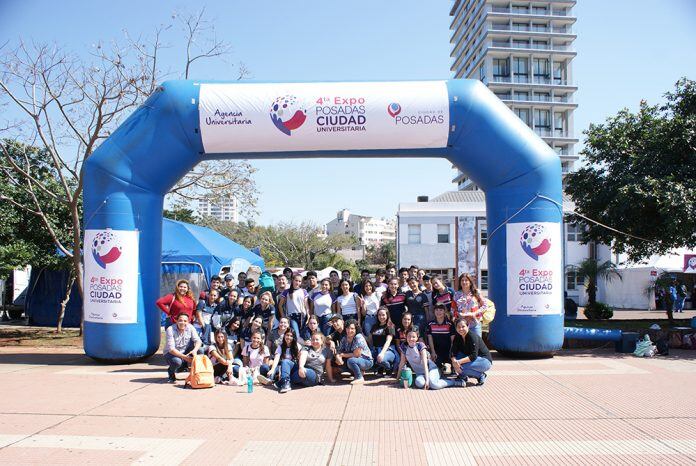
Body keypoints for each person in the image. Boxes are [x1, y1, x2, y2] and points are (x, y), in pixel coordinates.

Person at [397, 329, 463, 390]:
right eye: (409, 336)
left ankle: (454, 382)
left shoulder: (420, 345)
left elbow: (425, 365)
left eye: (413, 337)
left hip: (431, 369)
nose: (411, 339)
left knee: (433, 385)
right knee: (419, 384)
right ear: (406, 337)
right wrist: (397, 380)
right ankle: (437, 379)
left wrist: (428, 381)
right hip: (420, 373)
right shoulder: (404, 347)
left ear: (417, 338)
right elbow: (402, 363)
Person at [450, 317, 493, 385]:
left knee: (462, 367)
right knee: (457, 361)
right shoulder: (457, 336)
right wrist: (454, 361)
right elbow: (453, 351)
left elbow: (473, 356)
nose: (461, 329)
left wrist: (458, 363)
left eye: (463, 326)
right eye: (458, 327)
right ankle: (463, 376)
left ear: (468, 326)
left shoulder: (472, 337)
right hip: (471, 359)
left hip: (484, 361)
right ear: (456, 328)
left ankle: (481, 375)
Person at [259, 328, 302, 393]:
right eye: (287, 335)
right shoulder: (281, 346)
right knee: (265, 367)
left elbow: (300, 360)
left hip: (292, 368)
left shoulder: (297, 346)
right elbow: (277, 358)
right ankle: (270, 380)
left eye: (291, 336)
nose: (289, 337)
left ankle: (272, 380)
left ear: (294, 337)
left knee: (283, 364)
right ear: (284, 335)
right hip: (281, 366)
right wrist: (272, 369)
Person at [163, 313, 202, 383]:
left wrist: (194, 350)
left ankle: (198, 374)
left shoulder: (190, 327)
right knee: (177, 362)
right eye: (180, 320)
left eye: (185, 321)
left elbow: (198, 341)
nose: (183, 323)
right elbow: (171, 349)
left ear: (188, 321)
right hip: (170, 353)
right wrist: (185, 358)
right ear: (176, 321)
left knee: (200, 350)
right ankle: (171, 372)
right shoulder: (170, 329)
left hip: (184, 351)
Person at [335, 319, 373, 384]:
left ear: (356, 329)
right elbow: (339, 350)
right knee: (336, 361)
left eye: (352, 328)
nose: (349, 331)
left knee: (351, 361)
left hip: (366, 360)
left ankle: (359, 377)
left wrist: (342, 355)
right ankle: (358, 371)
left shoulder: (359, 337)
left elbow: (357, 354)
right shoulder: (344, 338)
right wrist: (338, 356)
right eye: (348, 328)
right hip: (355, 359)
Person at [368, 307, 400, 376]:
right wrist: (360, 333)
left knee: (381, 359)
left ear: (387, 315)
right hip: (377, 349)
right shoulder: (375, 326)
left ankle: (389, 369)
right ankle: (380, 368)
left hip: (388, 350)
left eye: (383, 315)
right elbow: (369, 340)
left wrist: (382, 353)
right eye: (379, 315)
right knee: (367, 358)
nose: (381, 317)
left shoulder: (390, 326)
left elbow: (388, 341)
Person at [426, 304, 455, 370]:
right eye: (436, 310)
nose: (438, 312)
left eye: (441, 310)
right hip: (436, 352)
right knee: (435, 368)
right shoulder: (430, 324)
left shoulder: (450, 324)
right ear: (434, 311)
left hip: (448, 351)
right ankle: (441, 367)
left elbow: (453, 340)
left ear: (444, 311)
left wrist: (452, 353)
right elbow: (430, 339)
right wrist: (433, 352)